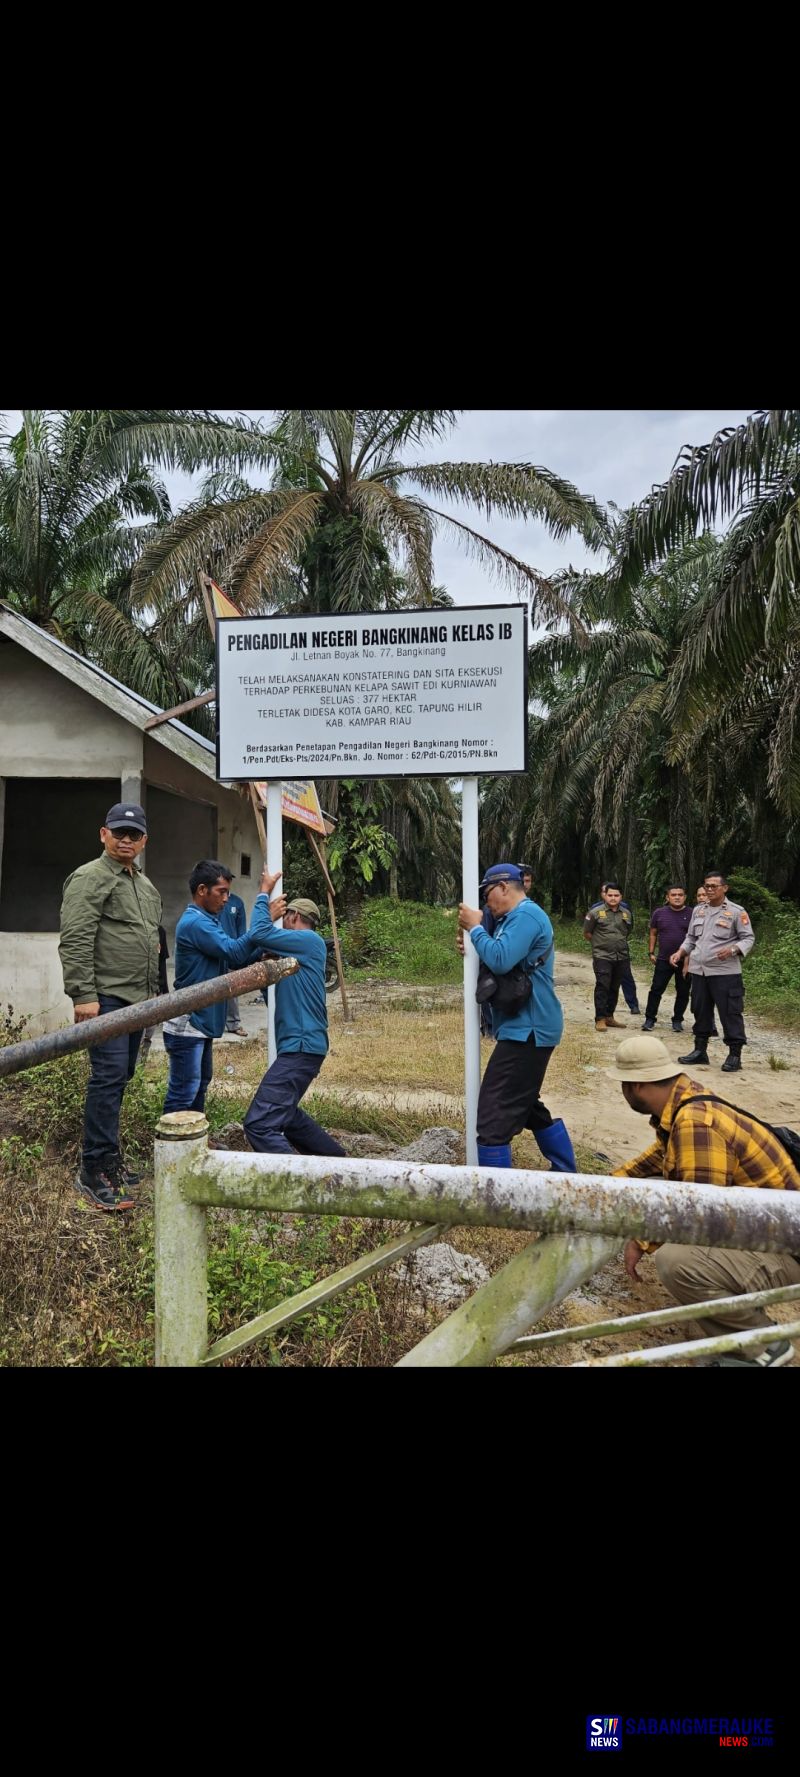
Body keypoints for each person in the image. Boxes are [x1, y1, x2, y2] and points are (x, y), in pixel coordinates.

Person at [607, 1035, 799, 1366]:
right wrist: (604, 1188)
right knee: (654, 1187)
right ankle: (734, 1326)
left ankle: (761, 1346)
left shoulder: (695, 1121)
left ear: (635, 1086)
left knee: (679, 1262)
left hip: (786, 1249)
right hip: (767, 1230)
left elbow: (698, 1216)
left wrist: (640, 1242)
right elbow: (657, 1160)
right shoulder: (687, 1100)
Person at [59, 801, 162, 1212]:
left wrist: (153, 994)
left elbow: (151, 944)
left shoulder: (145, 886)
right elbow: (76, 937)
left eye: (133, 834)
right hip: (107, 998)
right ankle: (94, 1169)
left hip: (137, 999)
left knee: (121, 1076)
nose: (125, 840)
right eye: (118, 832)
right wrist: (83, 996)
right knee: (108, 1075)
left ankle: (110, 1160)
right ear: (104, 834)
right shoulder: (89, 878)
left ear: (143, 841)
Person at [457, 862, 575, 1171]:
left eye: (487, 893)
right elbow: (498, 951)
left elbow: (500, 958)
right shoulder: (513, 918)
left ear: (504, 887)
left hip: (530, 1030)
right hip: (525, 1027)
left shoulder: (525, 915)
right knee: (526, 1104)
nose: (487, 902)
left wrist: (476, 928)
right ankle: (566, 1172)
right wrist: (473, 942)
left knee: (493, 1114)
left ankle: (495, 1197)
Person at [163, 862, 281, 1115]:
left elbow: (234, 959)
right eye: (222, 892)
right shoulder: (196, 923)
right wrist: (264, 911)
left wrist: (261, 953)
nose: (227, 899)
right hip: (188, 1021)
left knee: (199, 1085)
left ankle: (194, 1143)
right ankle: (170, 1148)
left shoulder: (209, 920)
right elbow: (233, 950)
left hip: (201, 1020)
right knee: (185, 1090)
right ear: (202, 890)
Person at [243, 896, 347, 1157]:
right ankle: (336, 1161)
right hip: (303, 1047)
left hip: (301, 1047)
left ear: (293, 917)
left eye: (284, 917)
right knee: (286, 1117)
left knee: (259, 1125)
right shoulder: (294, 955)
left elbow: (258, 932)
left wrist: (263, 899)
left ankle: (294, 1181)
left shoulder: (309, 941)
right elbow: (273, 996)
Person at [670, 870, 755, 1073]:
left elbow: (748, 938)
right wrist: (681, 952)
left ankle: (735, 1055)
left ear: (724, 888)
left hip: (725, 972)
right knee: (700, 1010)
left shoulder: (736, 912)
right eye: (706, 886)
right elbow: (691, 938)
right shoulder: (699, 911)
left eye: (713, 886)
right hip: (700, 971)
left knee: (730, 1013)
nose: (709, 890)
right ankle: (700, 1051)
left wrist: (734, 949)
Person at [641, 884, 692, 1032]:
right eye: (673, 895)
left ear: (685, 897)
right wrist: (651, 952)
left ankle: (677, 1020)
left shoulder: (692, 913)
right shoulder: (659, 913)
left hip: (685, 961)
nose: (677, 897)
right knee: (656, 989)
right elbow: (653, 933)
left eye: (680, 895)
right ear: (667, 897)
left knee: (683, 992)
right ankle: (649, 1019)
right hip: (663, 959)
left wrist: (689, 960)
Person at [583, 882, 633, 1030]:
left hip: (621, 956)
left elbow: (628, 931)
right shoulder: (595, 913)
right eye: (610, 895)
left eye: (616, 895)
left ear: (621, 896)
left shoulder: (626, 913)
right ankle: (600, 1018)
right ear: (605, 895)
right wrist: (600, 944)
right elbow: (587, 933)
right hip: (602, 956)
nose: (613, 898)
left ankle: (609, 1016)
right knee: (602, 986)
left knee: (614, 987)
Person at [138, 925, 169, 1062]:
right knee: (137, 1032)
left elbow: (162, 963)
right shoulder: (136, 930)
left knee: (148, 1033)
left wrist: (164, 991)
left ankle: (140, 1069)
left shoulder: (160, 931)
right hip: (138, 990)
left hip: (154, 990)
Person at [219, 884, 248, 1034]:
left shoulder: (237, 902)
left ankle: (233, 1024)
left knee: (232, 989)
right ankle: (214, 1023)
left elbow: (242, 930)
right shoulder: (214, 901)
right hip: (215, 949)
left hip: (232, 950)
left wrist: (241, 951)